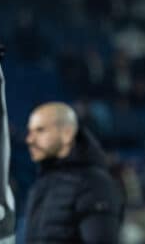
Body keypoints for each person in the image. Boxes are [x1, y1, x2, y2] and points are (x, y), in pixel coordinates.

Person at [24, 102, 123, 244]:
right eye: (30, 132)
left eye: (40, 130)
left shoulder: (95, 183)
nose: (29, 139)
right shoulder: (41, 184)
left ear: (67, 133)